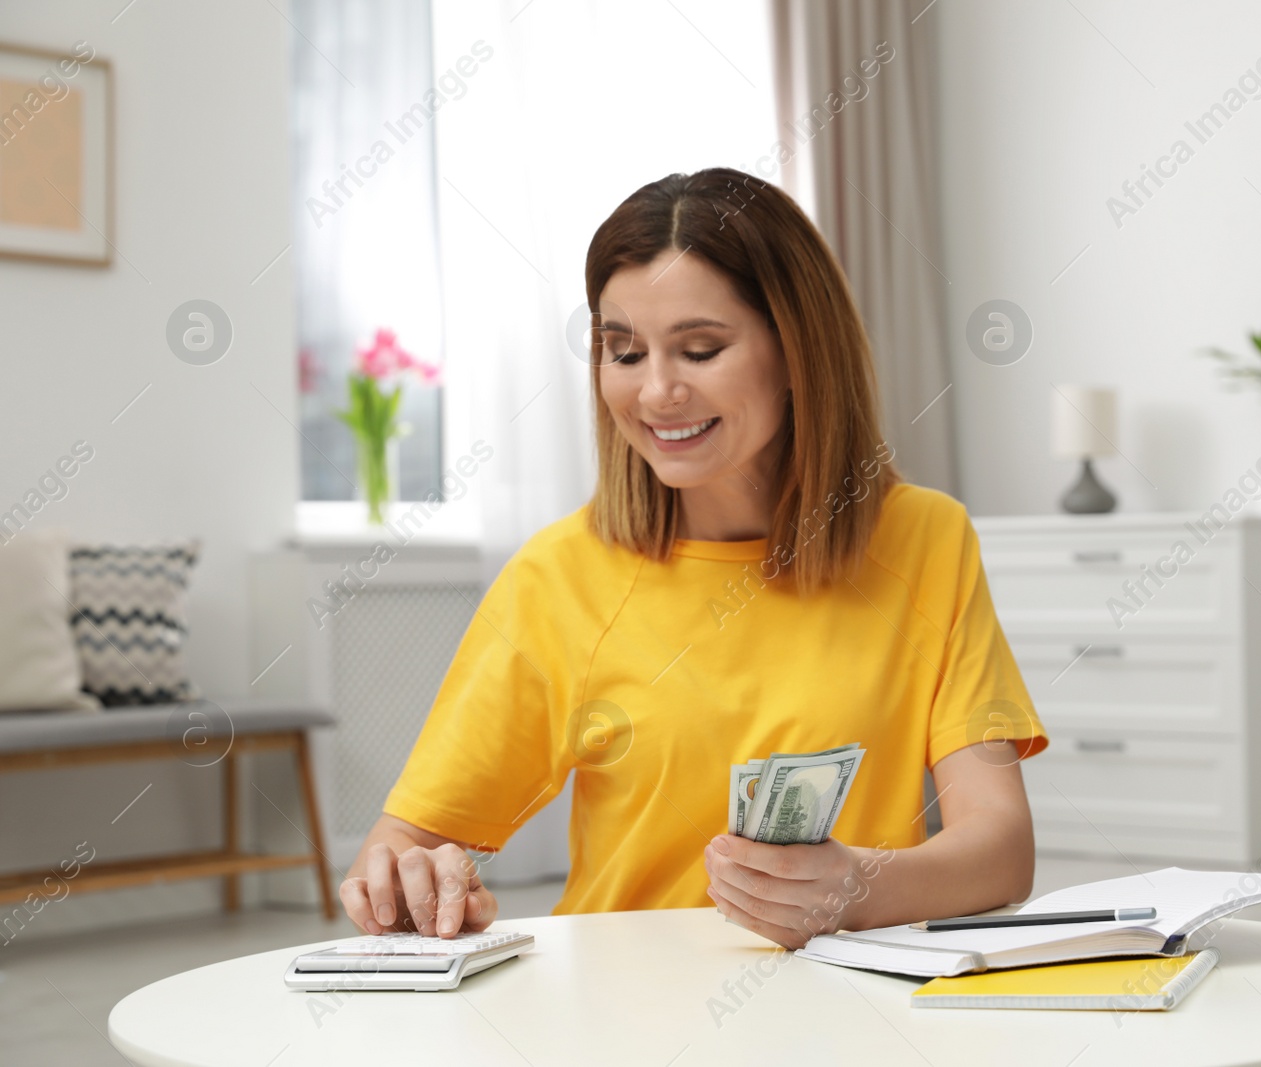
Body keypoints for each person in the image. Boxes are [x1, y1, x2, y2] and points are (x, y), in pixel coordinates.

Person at [339, 167, 1048, 951]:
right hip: (622, 1021)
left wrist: (856, 887)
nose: (656, 391)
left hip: (849, 1009)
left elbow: (1001, 849)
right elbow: (401, 844)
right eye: (625, 353)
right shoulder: (558, 577)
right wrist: (412, 883)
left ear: (799, 350)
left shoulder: (925, 541)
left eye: (700, 349)